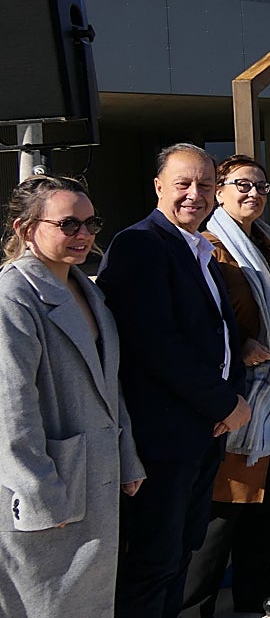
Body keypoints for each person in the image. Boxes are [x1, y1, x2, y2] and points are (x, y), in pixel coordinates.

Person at [98, 143, 250, 618]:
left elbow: (220, 333)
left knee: (182, 551)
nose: (195, 194)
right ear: (158, 186)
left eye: (205, 184)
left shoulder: (199, 247)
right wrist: (224, 403)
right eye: (183, 183)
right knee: (153, 563)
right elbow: (154, 344)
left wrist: (232, 396)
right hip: (164, 440)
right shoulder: (140, 243)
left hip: (202, 432)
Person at [0, 176, 144, 618]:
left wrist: (128, 457)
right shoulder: (14, 295)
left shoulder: (86, 288)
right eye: (68, 225)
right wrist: (41, 492)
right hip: (53, 484)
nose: (83, 235)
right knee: (49, 602)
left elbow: (108, 384)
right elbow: (11, 409)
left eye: (90, 223)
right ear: (27, 229)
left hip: (93, 474)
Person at [183, 156, 270, 618]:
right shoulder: (209, 245)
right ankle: (196, 605)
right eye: (243, 185)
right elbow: (200, 319)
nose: (254, 193)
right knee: (226, 508)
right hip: (238, 394)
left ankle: (257, 589)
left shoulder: (269, 242)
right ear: (221, 191)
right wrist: (239, 339)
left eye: (262, 186)